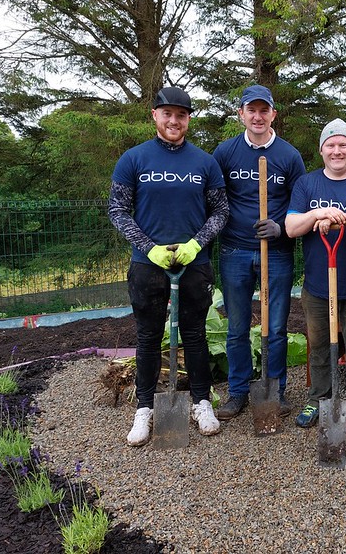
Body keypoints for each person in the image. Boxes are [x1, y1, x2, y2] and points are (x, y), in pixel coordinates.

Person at [108, 86, 229, 446]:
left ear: (188, 119)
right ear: (155, 116)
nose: (174, 120)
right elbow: (118, 210)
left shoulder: (204, 162)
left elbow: (221, 210)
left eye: (181, 115)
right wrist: (150, 247)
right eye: (167, 114)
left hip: (194, 264)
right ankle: (145, 408)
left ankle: (201, 401)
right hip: (147, 265)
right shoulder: (134, 159)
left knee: (195, 335)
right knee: (147, 337)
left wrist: (196, 243)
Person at [285, 119, 346, 435]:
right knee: (317, 347)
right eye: (331, 144)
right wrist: (317, 213)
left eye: (343, 145)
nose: (337, 150)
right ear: (322, 150)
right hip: (317, 286)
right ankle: (318, 398)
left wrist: (343, 218)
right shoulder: (306, 185)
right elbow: (290, 228)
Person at [213, 85, 306, 419]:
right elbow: (215, 198)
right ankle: (238, 391)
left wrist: (280, 227)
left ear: (272, 115)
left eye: (263, 110)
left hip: (277, 253)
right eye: (250, 110)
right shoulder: (224, 153)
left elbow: (300, 202)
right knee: (237, 326)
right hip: (235, 250)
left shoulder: (288, 156)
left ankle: (275, 389)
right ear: (241, 114)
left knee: (277, 327)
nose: (257, 116)